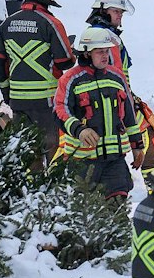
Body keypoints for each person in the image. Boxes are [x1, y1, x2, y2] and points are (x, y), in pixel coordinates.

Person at [53, 26, 144, 198]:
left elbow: (129, 114)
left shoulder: (116, 77)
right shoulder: (70, 79)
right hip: (83, 163)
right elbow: (59, 110)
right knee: (83, 215)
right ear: (86, 53)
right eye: (100, 52)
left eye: (107, 51)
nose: (105, 56)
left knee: (117, 211)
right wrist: (80, 130)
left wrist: (137, 146)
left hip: (114, 160)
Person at [0, 0, 74, 165]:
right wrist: (74, 56)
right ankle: (53, 190)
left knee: (27, 148)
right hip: (47, 101)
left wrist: (7, 93)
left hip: (19, 101)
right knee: (52, 146)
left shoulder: (7, 24)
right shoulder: (51, 24)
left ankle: (33, 191)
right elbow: (64, 62)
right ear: (47, 2)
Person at [87, 0, 135, 72]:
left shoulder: (111, 34)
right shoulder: (101, 35)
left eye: (121, 12)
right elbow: (113, 70)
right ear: (103, 11)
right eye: (116, 11)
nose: (120, 15)